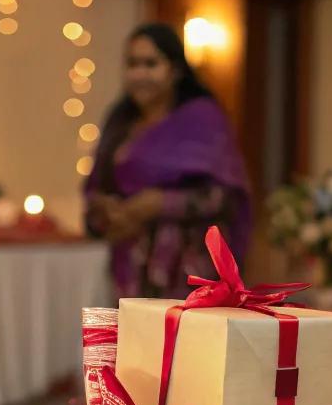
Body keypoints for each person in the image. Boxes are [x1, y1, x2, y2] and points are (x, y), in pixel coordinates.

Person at [85, 22, 251, 297]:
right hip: (127, 269)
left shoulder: (202, 118)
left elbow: (225, 198)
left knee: (183, 341)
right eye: (132, 63)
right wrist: (106, 211)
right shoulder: (120, 121)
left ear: (174, 70)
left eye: (150, 64)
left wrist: (157, 204)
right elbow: (98, 187)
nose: (139, 74)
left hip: (187, 274)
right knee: (128, 340)